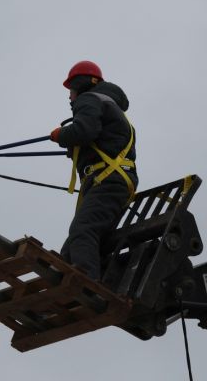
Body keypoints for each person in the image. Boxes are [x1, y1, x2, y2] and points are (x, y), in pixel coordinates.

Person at [49, 61, 138, 281]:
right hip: (112, 180)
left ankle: (87, 287)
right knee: (71, 248)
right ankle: (68, 292)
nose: (70, 97)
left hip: (107, 180)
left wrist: (61, 135)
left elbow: (84, 130)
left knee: (83, 231)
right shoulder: (108, 105)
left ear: (79, 85)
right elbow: (99, 138)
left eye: (71, 90)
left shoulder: (89, 99)